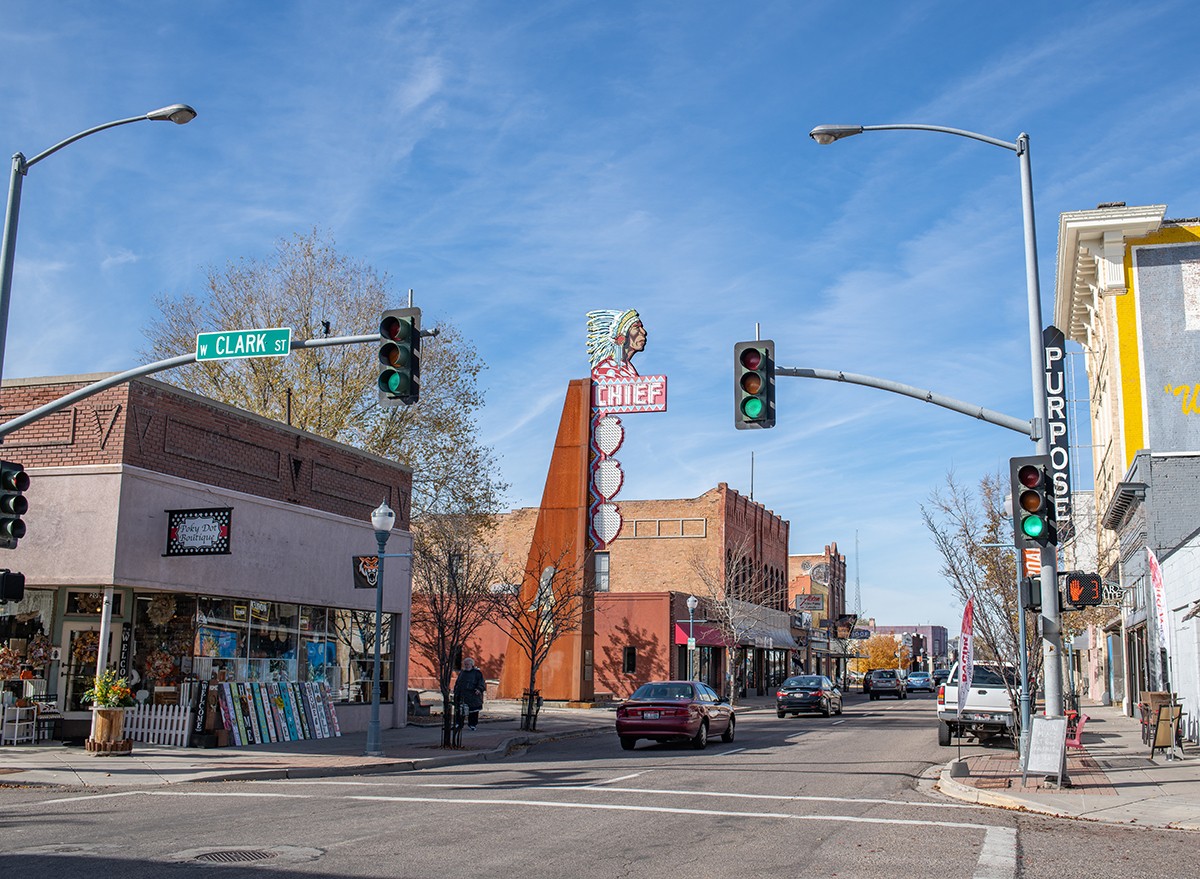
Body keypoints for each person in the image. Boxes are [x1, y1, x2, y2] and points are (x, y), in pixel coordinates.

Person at [453, 657, 486, 731]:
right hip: (462, 695)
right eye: (465, 664)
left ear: (472, 664)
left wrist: (479, 689)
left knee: (473, 711)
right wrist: (456, 691)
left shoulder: (477, 673)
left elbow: (481, 683)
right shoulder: (462, 673)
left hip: (473, 695)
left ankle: (472, 724)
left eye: (468, 664)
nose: (466, 666)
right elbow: (458, 683)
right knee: (460, 710)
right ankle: (458, 724)